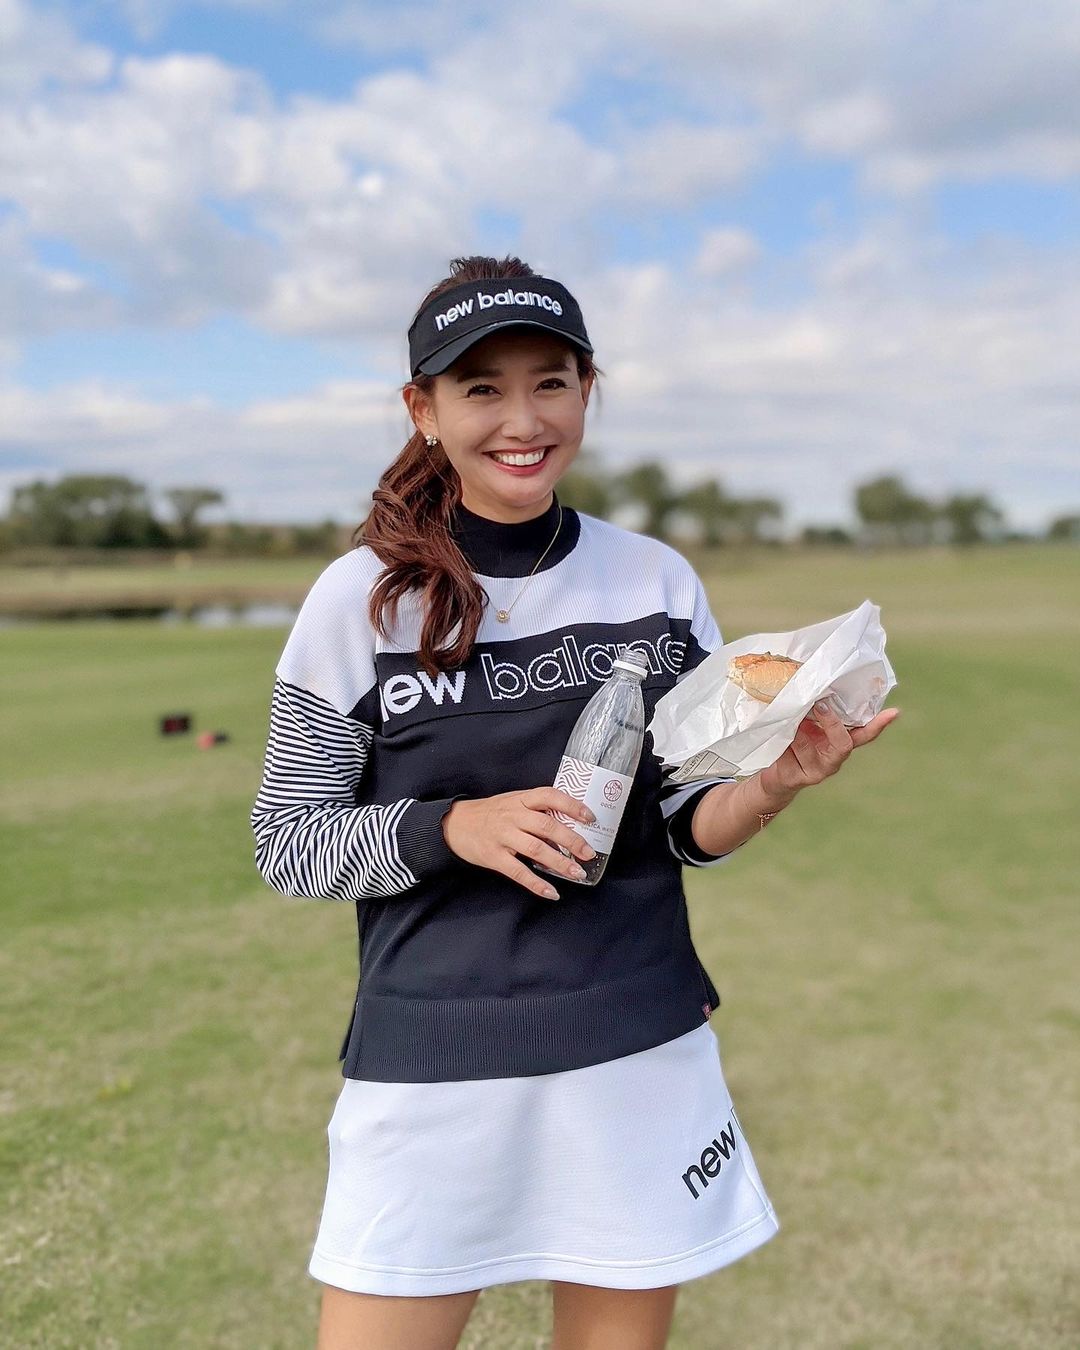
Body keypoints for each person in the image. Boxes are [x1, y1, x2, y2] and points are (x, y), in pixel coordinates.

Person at [251, 255, 899, 1350]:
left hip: (633, 1039)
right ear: (424, 409)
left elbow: (682, 822)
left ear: (586, 393)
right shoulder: (357, 598)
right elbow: (291, 842)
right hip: (435, 1056)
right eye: (482, 388)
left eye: (551, 382)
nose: (522, 418)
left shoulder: (653, 581)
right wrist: (456, 826)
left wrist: (775, 785)